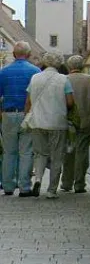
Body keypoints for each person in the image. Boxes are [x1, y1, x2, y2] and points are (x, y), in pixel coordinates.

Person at [25, 51, 75, 198]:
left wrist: (27, 116)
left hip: (37, 122)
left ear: (45, 62)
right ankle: (51, 190)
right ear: (59, 63)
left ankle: (38, 179)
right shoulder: (64, 79)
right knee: (56, 156)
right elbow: (70, 102)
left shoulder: (35, 78)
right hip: (57, 123)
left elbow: (28, 102)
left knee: (39, 154)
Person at [0, 42, 40, 197]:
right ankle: (24, 187)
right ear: (28, 54)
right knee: (26, 152)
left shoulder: (3, 72)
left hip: (8, 114)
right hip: (27, 115)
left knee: (8, 152)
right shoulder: (35, 72)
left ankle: (8, 186)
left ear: (13, 54)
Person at [60, 55, 90, 194]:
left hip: (68, 122)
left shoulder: (63, 80)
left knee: (68, 151)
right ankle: (79, 184)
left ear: (69, 67)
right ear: (83, 66)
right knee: (82, 151)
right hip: (86, 121)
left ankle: (66, 182)